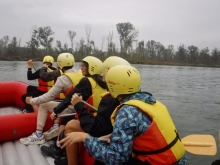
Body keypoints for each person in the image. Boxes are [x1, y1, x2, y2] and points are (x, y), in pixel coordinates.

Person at [60, 65, 188, 165]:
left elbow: (116, 159)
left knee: (102, 162)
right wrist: (109, 136)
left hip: (158, 162)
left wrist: (85, 138)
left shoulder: (127, 112)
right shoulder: (152, 102)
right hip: (177, 160)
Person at [61, 56, 130, 165]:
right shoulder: (125, 98)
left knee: (70, 125)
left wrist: (78, 106)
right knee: (71, 123)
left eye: (104, 71)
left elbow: (97, 130)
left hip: (104, 133)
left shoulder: (110, 101)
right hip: (109, 131)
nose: (102, 74)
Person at [39, 56, 108, 164]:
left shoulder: (86, 81)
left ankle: (65, 157)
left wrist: (56, 111)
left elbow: (69, 98)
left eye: (85, 66)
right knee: (68, 118)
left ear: (92, 68)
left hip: (91, 120)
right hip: (97, 118)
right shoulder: (103, 83)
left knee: (69, 125)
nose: (81, 68)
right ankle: (61, 152)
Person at [20, 52, 83, 145]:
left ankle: (38, 135)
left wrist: (31, 101)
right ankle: (55, 126)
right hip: (78, 107)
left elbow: (48, 96)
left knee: (43, 104)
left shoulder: (63, 79)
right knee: (51, 102)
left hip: (71, 109)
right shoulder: (79, 73)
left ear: (60, 63)